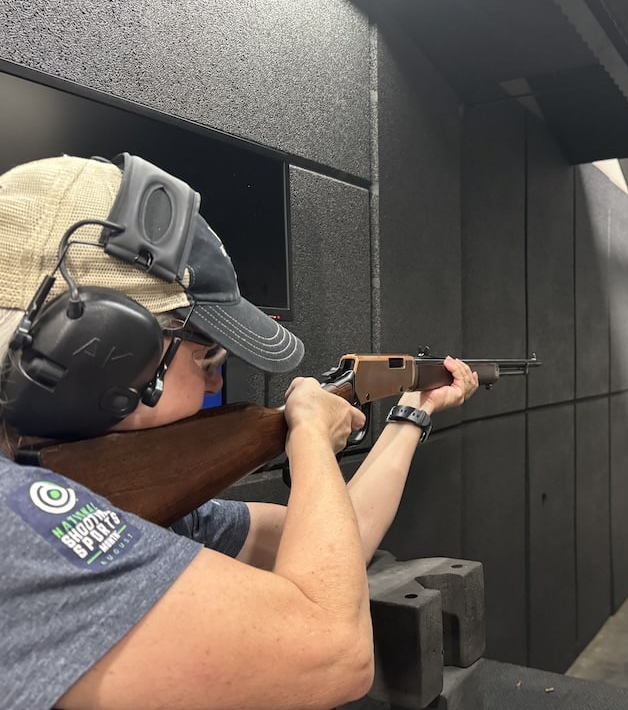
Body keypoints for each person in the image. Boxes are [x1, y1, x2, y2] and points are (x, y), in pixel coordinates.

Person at [0, 154, 479, 710]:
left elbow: (340, 546)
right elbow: (332, 651)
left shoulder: (102, 502)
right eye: (207, 361)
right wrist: (307, 435)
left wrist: (411, 412)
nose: (212, 389)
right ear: (100, 355)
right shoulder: (18, 527)